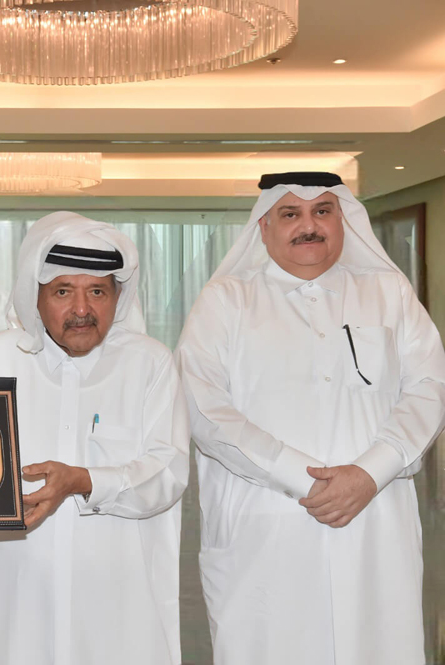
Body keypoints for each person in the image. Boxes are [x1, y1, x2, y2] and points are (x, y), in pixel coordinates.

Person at [0, 211, 189, 665]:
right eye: (63, 291)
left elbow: (168, 472)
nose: (82, 310)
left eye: (97, 292)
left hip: (119, 601)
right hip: (20, 595)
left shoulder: (150, 363)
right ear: (36, 296)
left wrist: (83, 480)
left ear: (117, 297)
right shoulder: (2, 355)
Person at [175, 172, 445, 665]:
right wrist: (301, 478)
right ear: (263, 227)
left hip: (374, 516)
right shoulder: (227, 301)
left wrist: (370, 472)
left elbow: (430, 387)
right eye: (290, 213)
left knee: (378, 643)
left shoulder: (389, 292)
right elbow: (203, 405)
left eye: (322, 211)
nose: (309, 226)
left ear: (343, 219)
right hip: (267, 522)